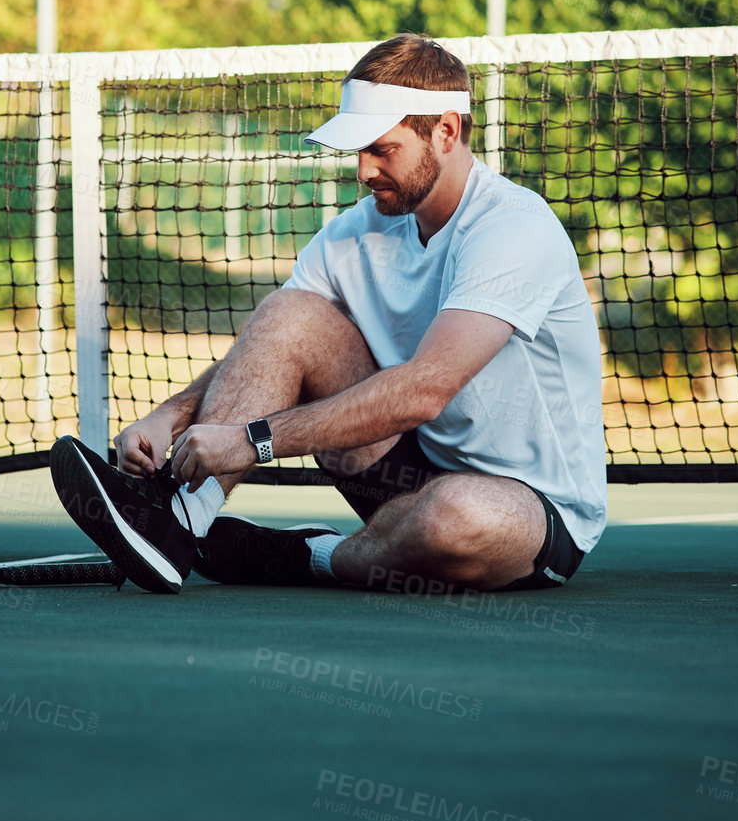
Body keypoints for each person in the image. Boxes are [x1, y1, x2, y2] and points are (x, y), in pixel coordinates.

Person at [50, 33, 606, 596]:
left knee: (453, 518)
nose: (362, 170)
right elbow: (271, 345)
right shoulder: (354, 233)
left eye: (381, 149)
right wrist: (168, 418)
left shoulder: (512, 228)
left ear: (446, 131)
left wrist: (253, 440)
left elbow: (424, 390)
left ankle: (299, 554)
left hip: (528, 508)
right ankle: (176, 523)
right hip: (404, 471)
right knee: (291, 312)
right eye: (356, 150)